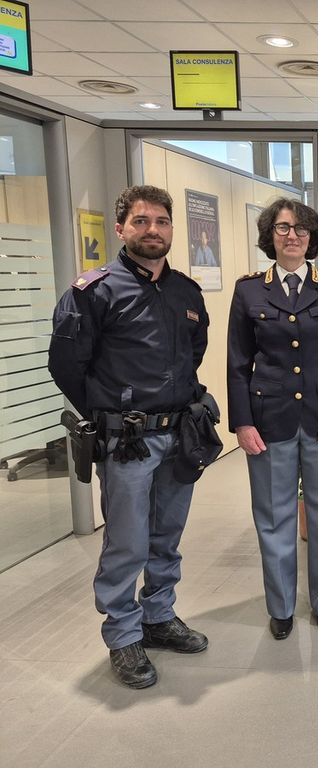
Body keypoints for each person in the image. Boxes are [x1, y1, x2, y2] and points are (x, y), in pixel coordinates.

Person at [48, 185, 211, 689]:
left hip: (179, 436)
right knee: (127, 541)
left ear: (171, 229)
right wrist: (111, 413)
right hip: (127, 443)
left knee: (167, 535)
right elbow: (66, 367)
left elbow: (194, 353)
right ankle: (123, 635)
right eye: (141, 221)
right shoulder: (93, 292)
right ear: (121, 229)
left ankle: (158, 616)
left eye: (161, 221)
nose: (152, 230)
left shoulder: (186, 291)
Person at [227, 198, 318, 640]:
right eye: (283, 227)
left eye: (301, 229)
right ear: (270, 235)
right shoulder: (249, 291)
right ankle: (281, 606)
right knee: (273, 516)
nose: (292, 236)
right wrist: (243, 423)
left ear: (312, 238)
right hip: (268, 422)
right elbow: (237, 364)